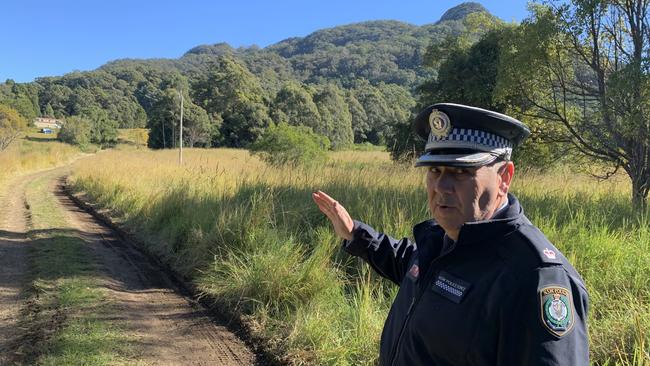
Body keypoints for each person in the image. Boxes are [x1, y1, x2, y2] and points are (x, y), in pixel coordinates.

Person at [312, 103, 589, 365]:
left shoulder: (535, 277)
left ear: (504, 177)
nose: (441, 186)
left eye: (460, 171)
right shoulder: (444, 236)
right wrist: (356, 234)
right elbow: (413, 266)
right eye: (434, 169)